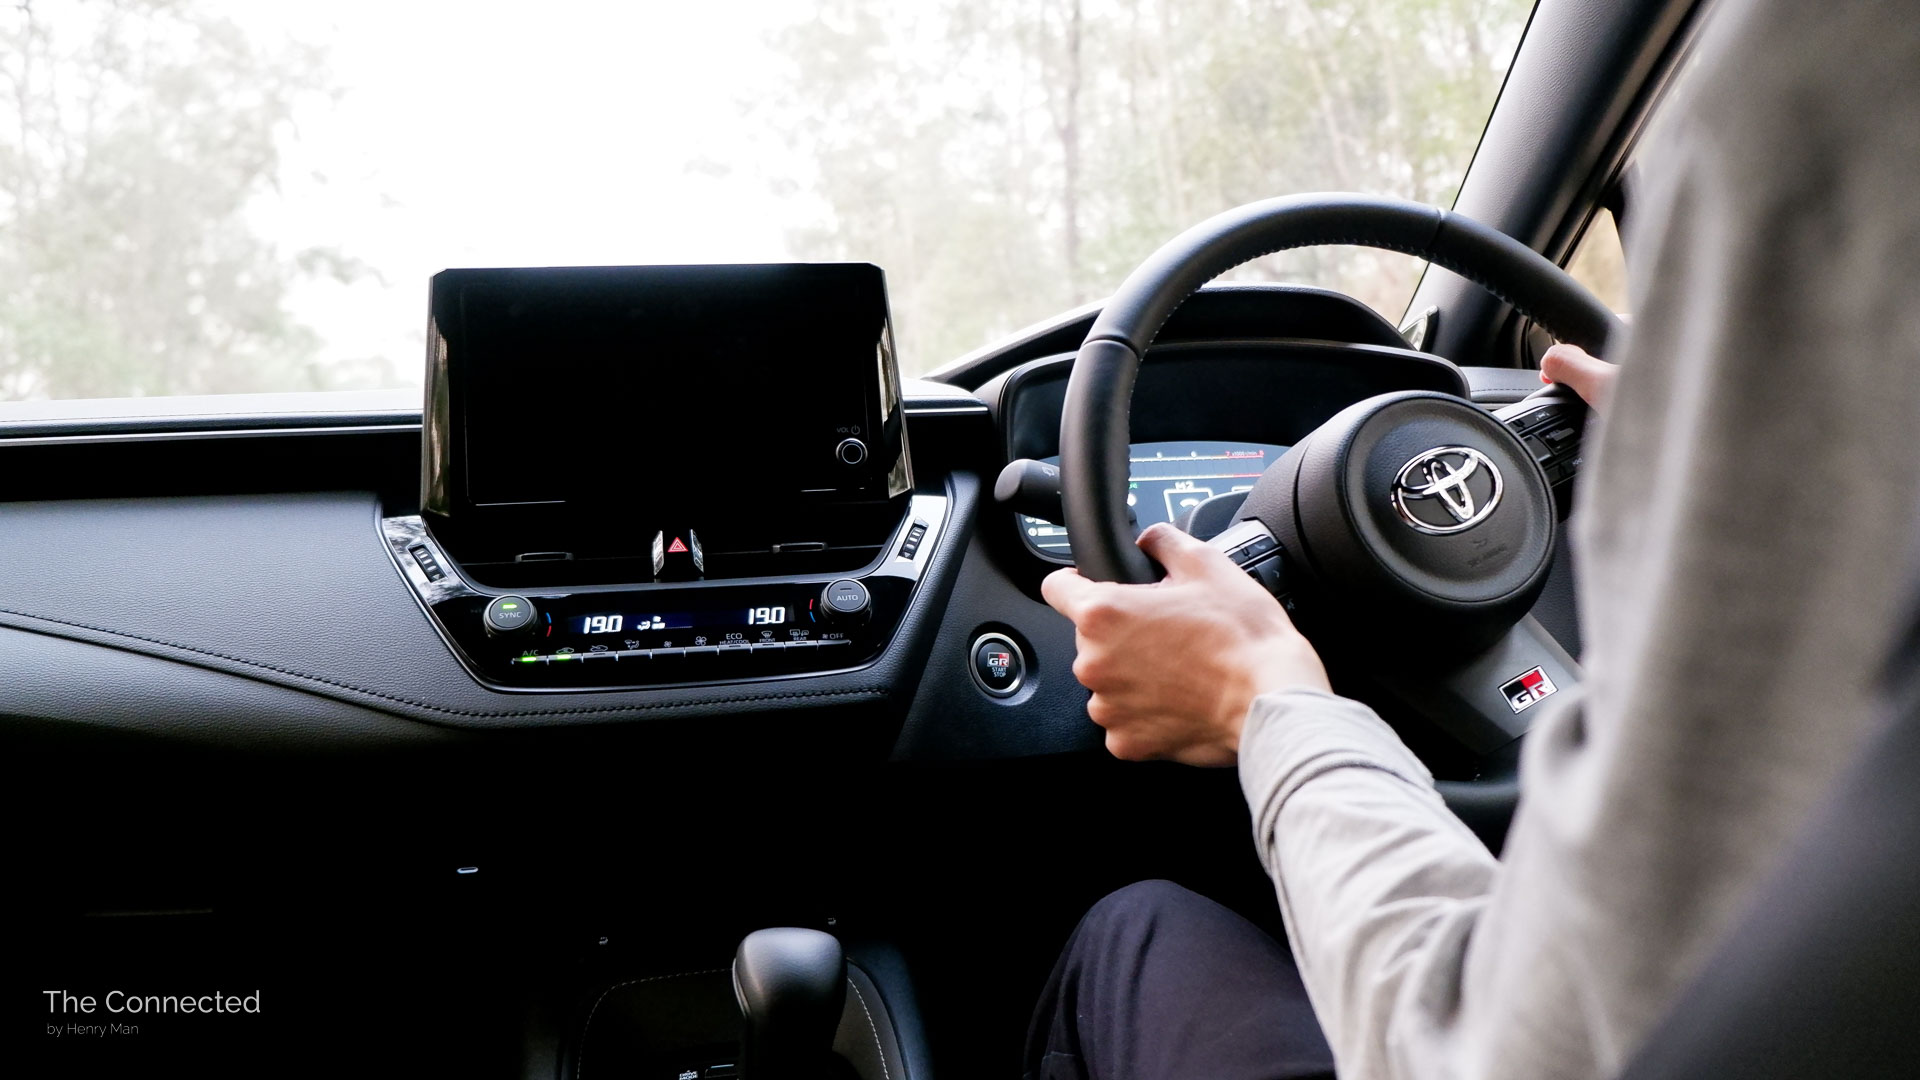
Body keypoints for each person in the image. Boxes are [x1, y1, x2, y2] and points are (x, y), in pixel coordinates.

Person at [1021, 1, 1920, 1078]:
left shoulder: (1823, 72)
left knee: (1131, 930)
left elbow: (1477, 1049)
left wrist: (1261, 697)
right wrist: (1734, 452)